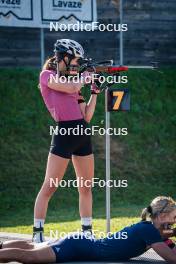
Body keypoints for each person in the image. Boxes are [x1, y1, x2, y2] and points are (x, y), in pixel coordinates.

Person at [33, 39, 100, 243]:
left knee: (86, 187)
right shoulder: (47, 76)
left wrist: (95, 92)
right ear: (63, 56)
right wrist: (85, 77)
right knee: (50, 186)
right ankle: (37, 233)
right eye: (74, 60)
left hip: (81, 132)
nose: (76, 64)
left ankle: (87, 231)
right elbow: (69, 88)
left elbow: (86, 116)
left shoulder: (73, 82)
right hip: (64, 133)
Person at [1, 196, 176, 263]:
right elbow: (171, 258)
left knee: (32, 247)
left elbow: (171, 247)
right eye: (174, 217)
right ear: (161, 216)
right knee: (30, 257)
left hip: (80, 242)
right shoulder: (150, 232)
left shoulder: (153, 231)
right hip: (78, 246)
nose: (175, 221)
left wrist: (172, 233)